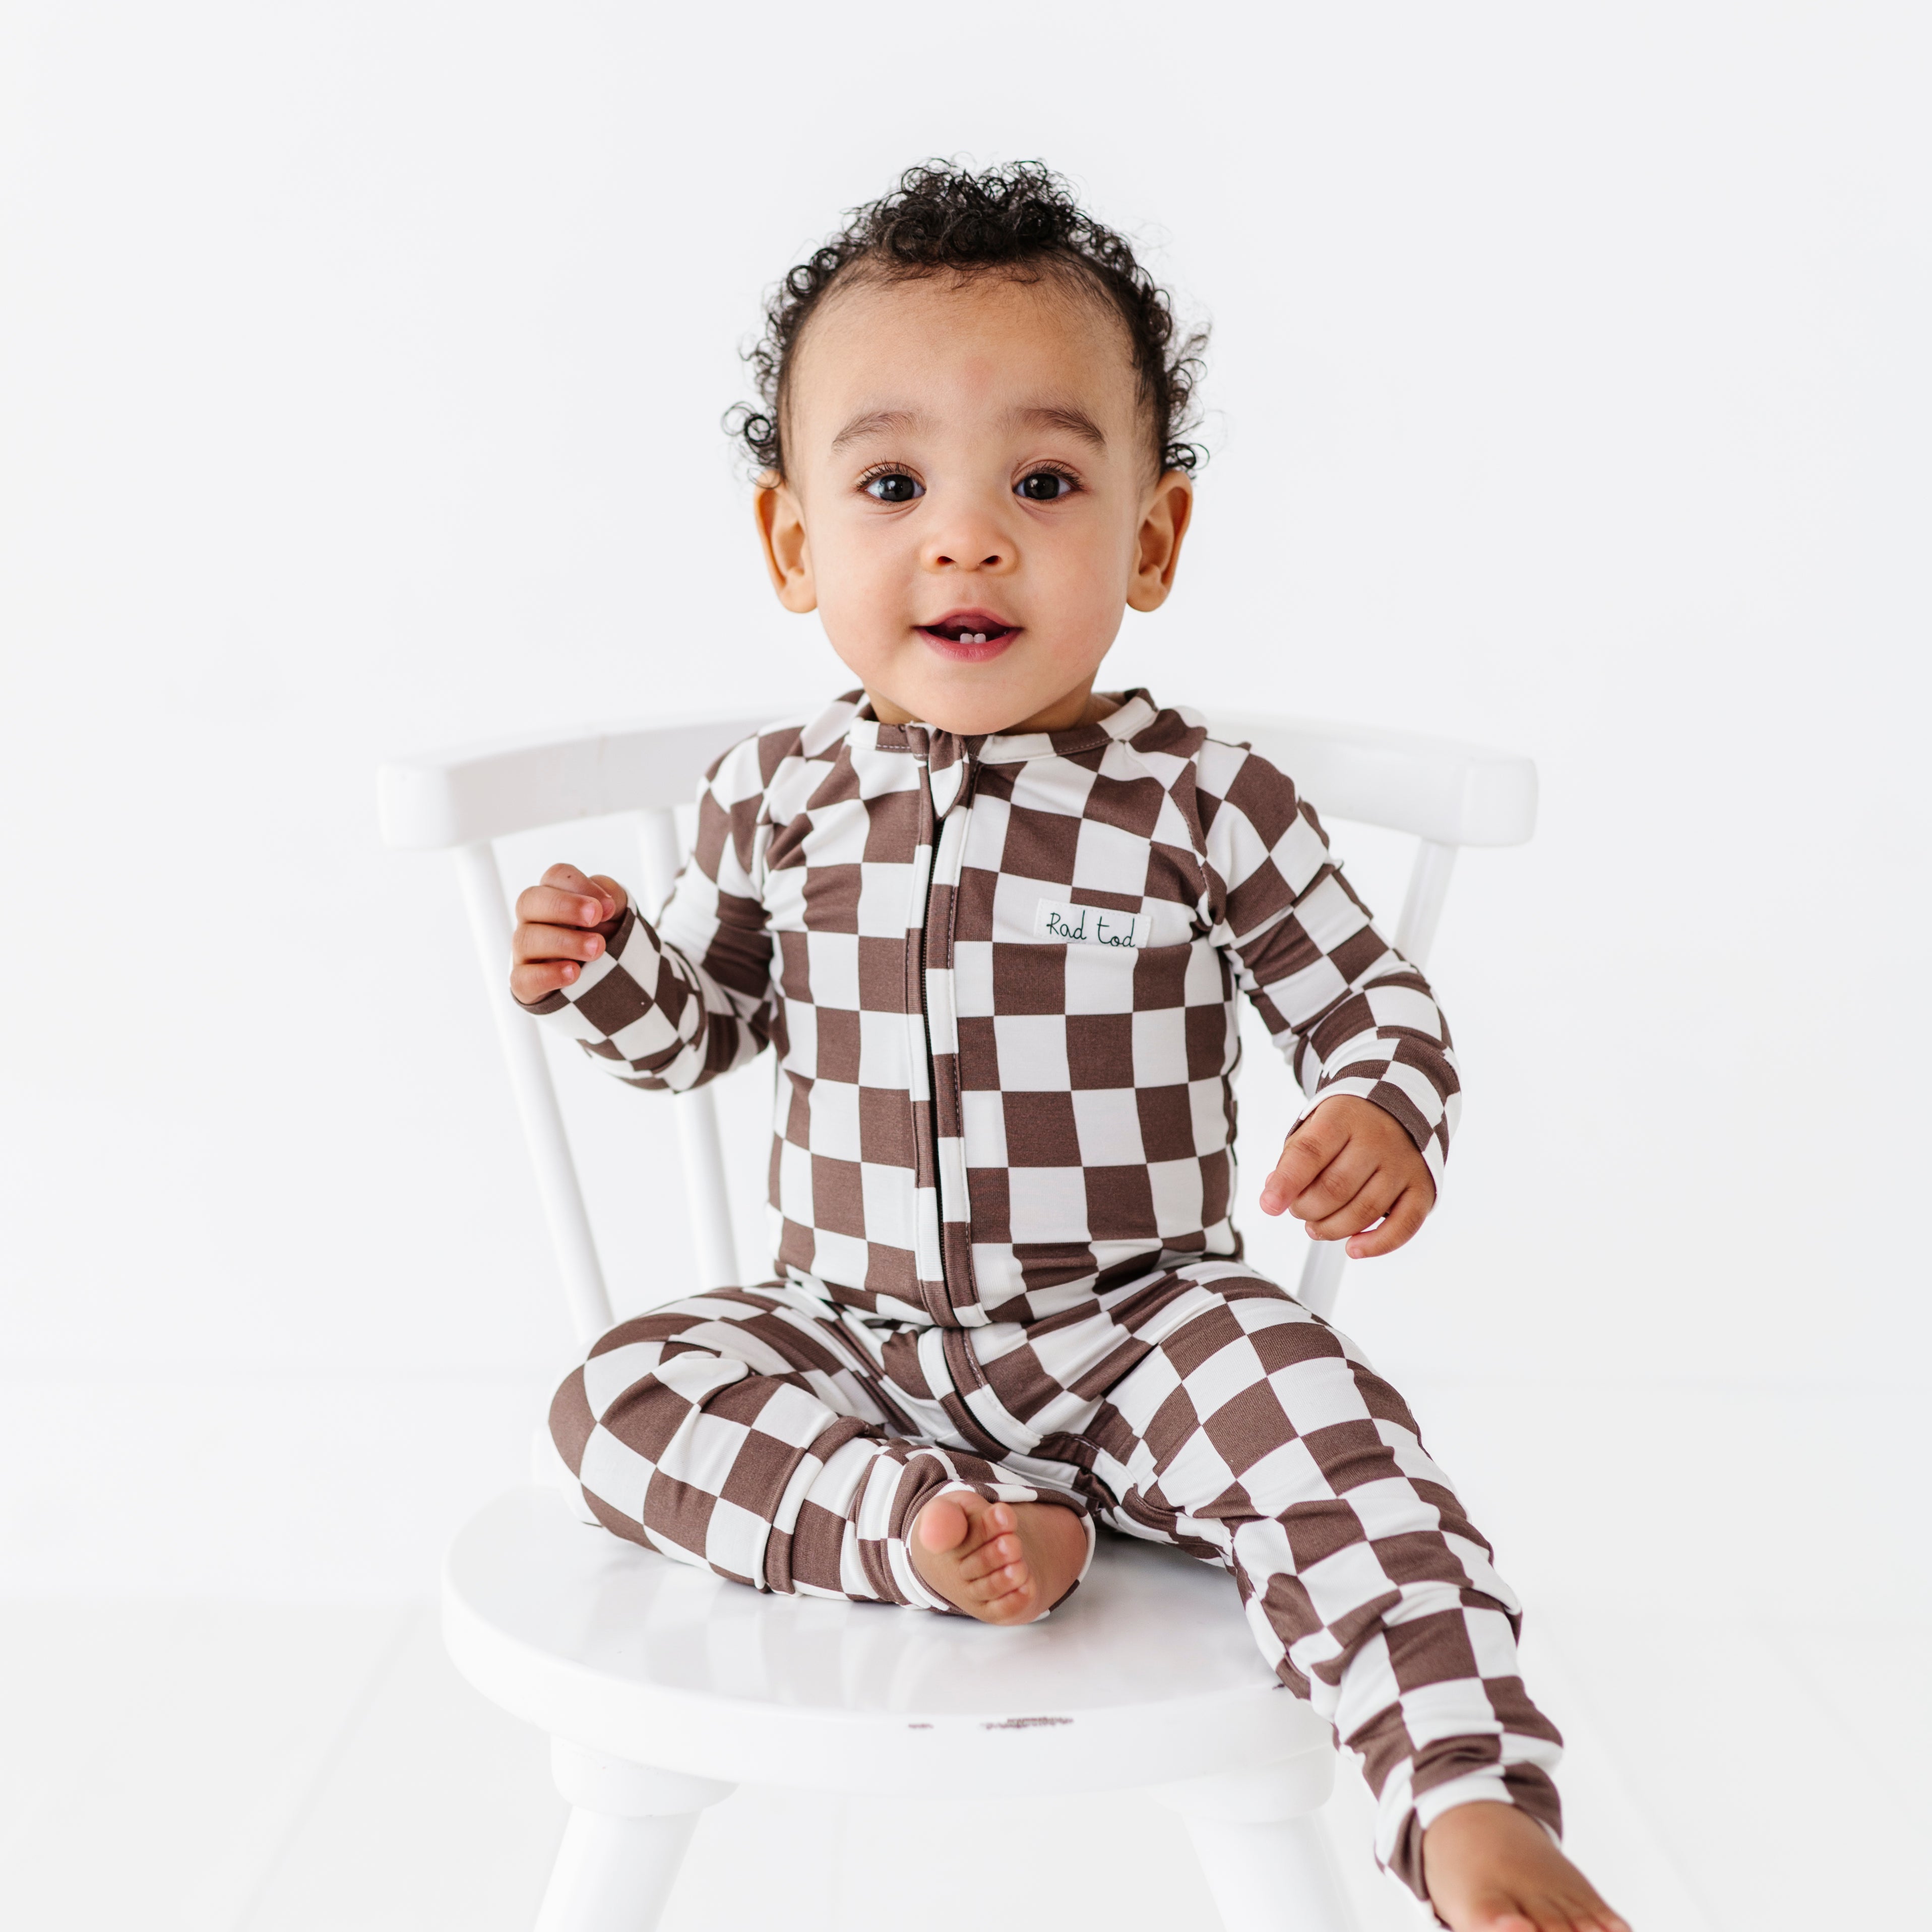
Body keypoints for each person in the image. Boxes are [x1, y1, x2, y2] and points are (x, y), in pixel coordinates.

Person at [510, 162, 1626, 1932]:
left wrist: (1376, 1101)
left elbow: (1363, 995)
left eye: (1042, 481)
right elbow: (706, 1030)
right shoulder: (777, 796)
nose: (967, 538)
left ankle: (1467, 1794)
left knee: (1329, 1440)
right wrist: (606, 977)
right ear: (795, 544)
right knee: (620, 1391)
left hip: (1135, 1326)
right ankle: (921, 1530)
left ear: (1152, 540)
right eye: (890, 485)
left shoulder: (1202, 801)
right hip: (846, 1339)